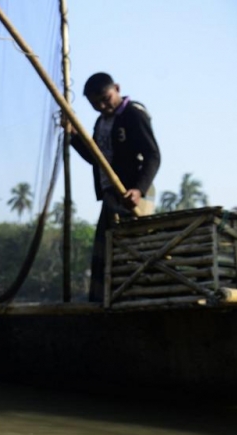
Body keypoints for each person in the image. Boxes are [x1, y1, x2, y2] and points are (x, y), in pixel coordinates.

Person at [70, 72, 161, 303]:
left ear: (117, 89)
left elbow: (152, 155)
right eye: (95, 103)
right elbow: (96, 158)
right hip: (112, 193)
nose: (102, 106)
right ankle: (103, 301)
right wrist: (73, 136)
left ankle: (136, 296)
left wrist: (139, 189)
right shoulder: (101, 121)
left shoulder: (133, 114)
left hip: (132, 191)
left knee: (132, 247)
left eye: (105, 98)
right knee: (105, 249)